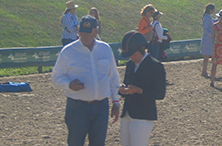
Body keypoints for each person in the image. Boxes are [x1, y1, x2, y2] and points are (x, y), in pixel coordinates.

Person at [51, 16, 121, 146]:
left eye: (88, 33)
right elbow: (56, 76)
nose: (84, 36)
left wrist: (116, 102)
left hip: (101, 106)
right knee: (75, 142)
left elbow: (113, 77)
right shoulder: (68, 51)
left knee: (98, 143)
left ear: (95, 31)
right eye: (82, 33)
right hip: (77, 107)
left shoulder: (105, 49)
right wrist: (69, 84)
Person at [119, 30, 166, 146]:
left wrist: (139, 91)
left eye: (134, 55)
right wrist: (122, 90)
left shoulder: (155, 66)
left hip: (143, 115)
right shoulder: (130, 65)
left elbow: (160, 94)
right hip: (127, 113)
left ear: (142, 49)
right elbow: (127, 86)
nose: (132, 58)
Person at [200, 3, 216, 78]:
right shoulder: (207, 18)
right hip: (208, 39)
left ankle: (204, 71)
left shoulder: (208, 17)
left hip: (209, 38)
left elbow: (213, 21)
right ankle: (204, 71)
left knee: (207, 56)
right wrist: (211, 35)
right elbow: (205, 29)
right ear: (210, 10)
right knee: (206, 56)